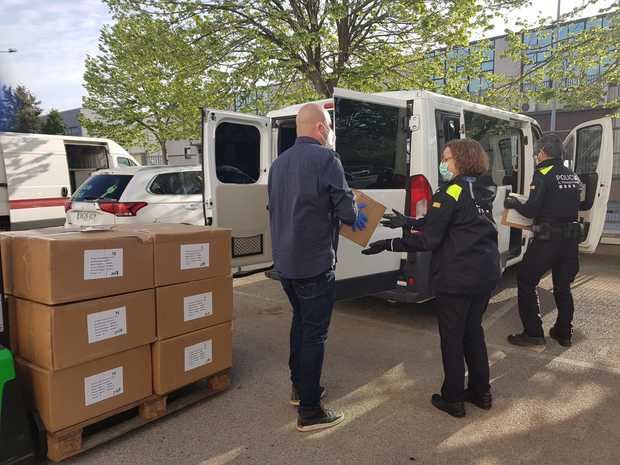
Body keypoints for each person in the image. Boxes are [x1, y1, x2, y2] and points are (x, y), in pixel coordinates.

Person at [363, 139, 500, 418]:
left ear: (460, 160)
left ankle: (453, 399)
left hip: (457, 278)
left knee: (452, 338)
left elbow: (430, 240)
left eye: (446, 158)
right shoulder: (484, 187)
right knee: (473, 333)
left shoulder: (449, 191)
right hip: (485, 273)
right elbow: (453, 219)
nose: (443, 163)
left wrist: (389, 245)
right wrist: (410, 222)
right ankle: (481, 392)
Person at [268, 103, 367, 432]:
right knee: (314, 334)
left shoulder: (278, 164)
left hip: (285, 263)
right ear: (321, 128)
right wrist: (352, 202)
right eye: (329, 127)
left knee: (300, 325)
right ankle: (310, 411)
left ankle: (300, 388)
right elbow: (349, 215)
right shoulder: (328, 159)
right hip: (314, 264)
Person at [504, 134, 582, 348]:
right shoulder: (571, 175)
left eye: (537, 152)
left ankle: (533, 333)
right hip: (570, 243)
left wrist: (513, 202)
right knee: (563, 287)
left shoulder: (542, 174)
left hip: (548, 241)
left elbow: (531, 210)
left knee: (526, 281)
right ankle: (564, 333)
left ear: (542, 152)